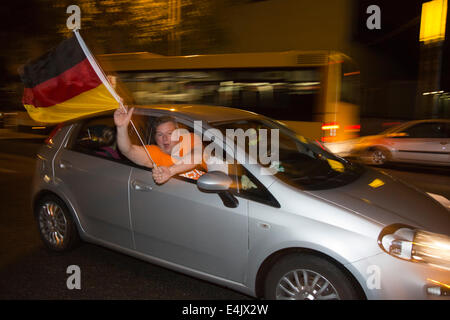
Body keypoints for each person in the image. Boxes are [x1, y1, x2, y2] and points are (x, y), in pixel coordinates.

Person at [114, 107, 203, 184]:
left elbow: (195, 156)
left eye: (169, 133)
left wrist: (170, 171)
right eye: (160, 134)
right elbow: (127, 150)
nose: (165, 138)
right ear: (155, 138)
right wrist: (121, 128)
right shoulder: (154, 153)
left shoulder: (190, 139)